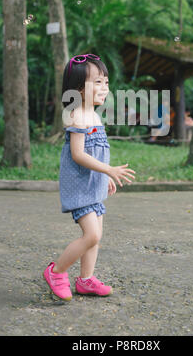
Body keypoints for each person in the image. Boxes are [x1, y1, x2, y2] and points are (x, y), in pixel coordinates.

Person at [43, 54, 136, 301]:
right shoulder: (76, 116)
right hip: (79, 184)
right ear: (78, 89)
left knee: (96, 237)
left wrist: (104, 178)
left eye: (106, 82)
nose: (104, 87)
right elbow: (78, 155)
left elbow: (98, 152)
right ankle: (56, 271)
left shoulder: (94, 116)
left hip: (93, 183)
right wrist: (109, 171)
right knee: (91, 235)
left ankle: (85, 280)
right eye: (97, 82)